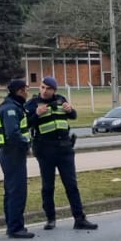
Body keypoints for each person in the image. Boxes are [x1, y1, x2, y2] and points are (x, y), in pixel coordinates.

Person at [26, 77, 97, 232]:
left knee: (72, 185)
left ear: (54, 90)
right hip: (45, 150)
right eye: (43, 87)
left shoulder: (60, 100)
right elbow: (25, 123)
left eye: (48, 88)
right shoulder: (32, 104)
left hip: (64, 148)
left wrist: (70, 110)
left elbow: (73, 116)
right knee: (48, 186)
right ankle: (50, 219)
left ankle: (79, 218)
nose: (45, 91)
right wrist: (36, 114)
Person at [0, 78, 34, 238]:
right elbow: (13, 134)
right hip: (13, 154)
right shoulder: (10, 109)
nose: (28, 92)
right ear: (19, 91)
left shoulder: (13, 106)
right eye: (26, 89)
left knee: (11, 191)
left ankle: (12, 224)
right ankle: (16, 227)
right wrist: (26, 145)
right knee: (17, 191)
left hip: (10, 154)